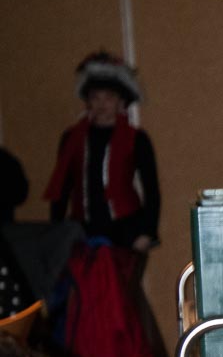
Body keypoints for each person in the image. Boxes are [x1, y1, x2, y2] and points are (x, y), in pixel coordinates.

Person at [44, 54, 159, 255]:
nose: (101, 104)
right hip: (82, 230)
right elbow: (62, 188)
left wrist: (147, 232)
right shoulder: (72, 138)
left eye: (109, 98)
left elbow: (151, 189)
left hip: (126, 231)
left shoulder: (137, 139)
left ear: (120, 101)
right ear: (87, 101)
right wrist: (57, 230)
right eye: (95, 98)